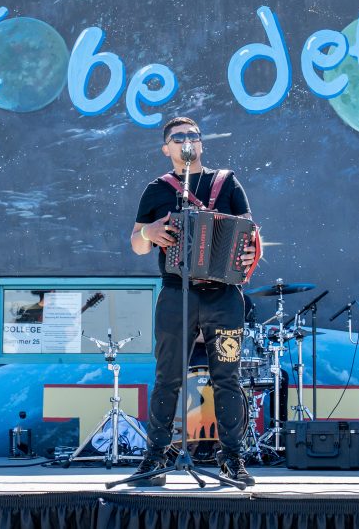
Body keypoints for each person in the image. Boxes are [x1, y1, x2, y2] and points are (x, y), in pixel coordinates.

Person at [128, 116, 258, 486]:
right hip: (176, 293)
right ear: (166, 148)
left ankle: (232, 459)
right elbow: (137, 244)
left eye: (192, 135)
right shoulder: (157, 189)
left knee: (227, 380)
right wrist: (149, 233)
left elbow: (248, 233)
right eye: (178, 137)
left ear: (201, 144)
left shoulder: (226, 183)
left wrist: (249, 254)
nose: (186, 141)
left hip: (224, 295)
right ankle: (155, 458)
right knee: (166, 378)